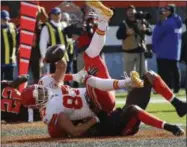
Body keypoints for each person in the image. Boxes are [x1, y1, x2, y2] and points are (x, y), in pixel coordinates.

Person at [20, 65, 185, 138]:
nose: (41, 92)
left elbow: (62, 69)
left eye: (39, 89)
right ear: (35, 106)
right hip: (107, 126)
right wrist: (94, 119)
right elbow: (73, 131)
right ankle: (170, 127)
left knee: (150, 75)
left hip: (107, 112)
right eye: (37, 95)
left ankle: (178, 105)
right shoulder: (50, 114)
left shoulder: (57, 92)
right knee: (133, 109)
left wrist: (75, 77)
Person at [152, 4, 182, 93]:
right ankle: (176, 88)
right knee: (174, 71)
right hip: (174, 52)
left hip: (163, 52)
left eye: (167, 10)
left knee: (163, 72)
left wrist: (154, 48)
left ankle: (165, 88)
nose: (165, 12)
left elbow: (156, 35)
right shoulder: (177, 21)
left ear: (171, 11)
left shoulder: (166, 23)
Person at [116, 5, 152, 77]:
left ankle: (143, 88)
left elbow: (150, 31)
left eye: (132, 10)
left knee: (143, 73)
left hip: (141, 51)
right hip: (128, 53)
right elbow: (118, 36)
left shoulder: (142, 21)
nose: (131, 12)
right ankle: (130, 88)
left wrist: (146, 29)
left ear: (135, 11)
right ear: (126, 13)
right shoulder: (123, 24)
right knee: (129, 75)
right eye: (129, 11)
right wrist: (126, 33)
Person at [39, 7, 69, 74]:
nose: (57, 16)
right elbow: (43, 43)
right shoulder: (47, 27)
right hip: (53, 57)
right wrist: (45, 57)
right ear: (51, 15)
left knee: (65, 77)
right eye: (55, 14)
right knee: (53, 77)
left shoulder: (63, 25)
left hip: (64, 57)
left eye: (59, 14)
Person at [1, 10, 17, 81]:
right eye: (4, 19)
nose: (5, 21)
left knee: (9, 83)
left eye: (7, 19)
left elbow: (18, 39)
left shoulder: (12, 26)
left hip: (11, 61)